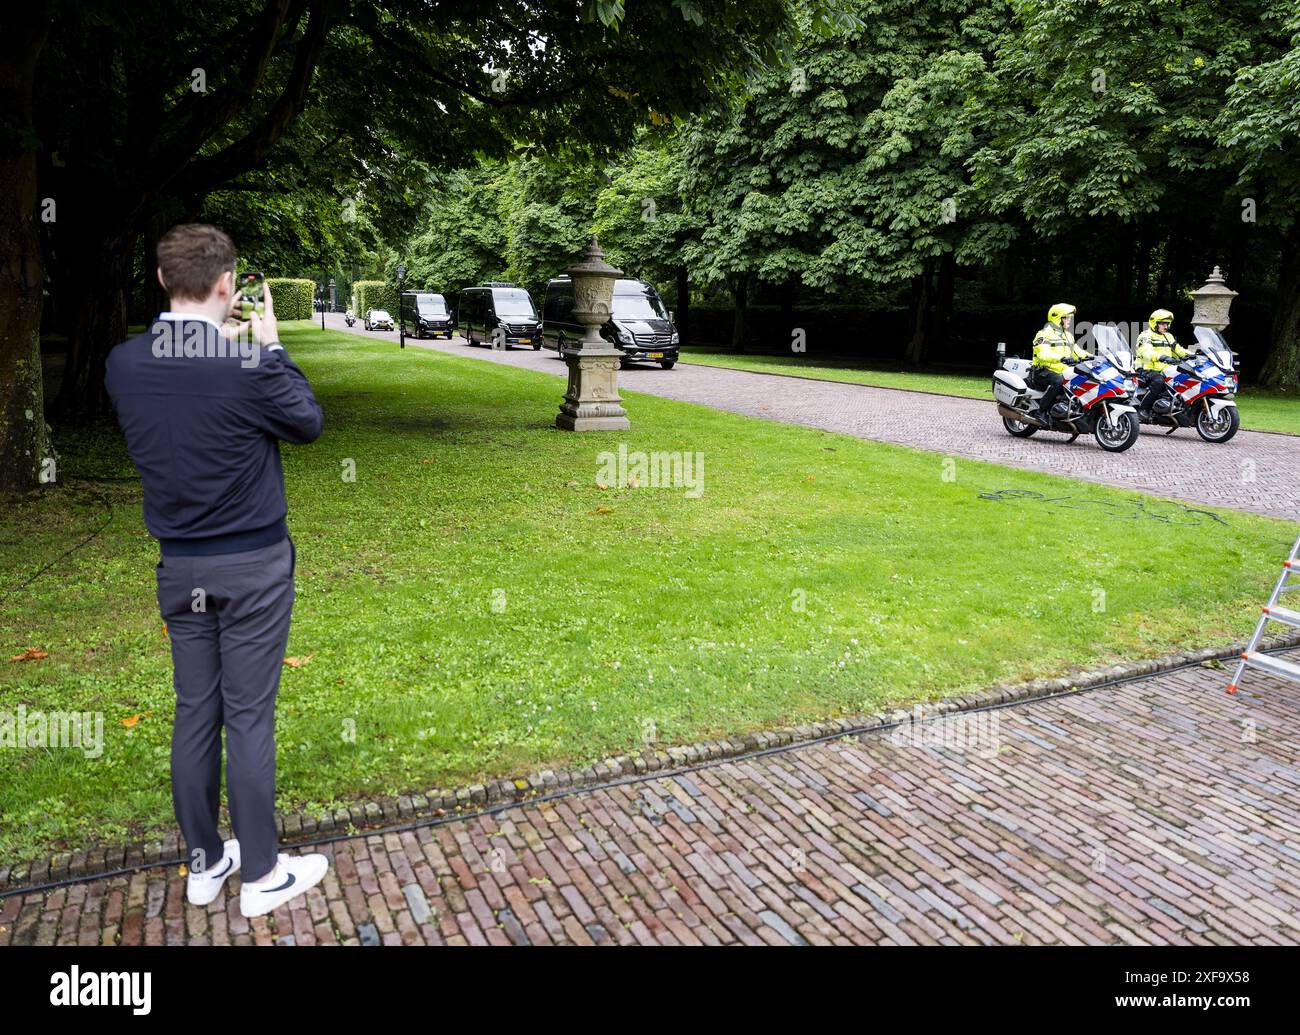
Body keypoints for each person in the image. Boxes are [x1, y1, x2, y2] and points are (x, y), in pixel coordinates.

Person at [104, 223, 329, 919]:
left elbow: (179, 370)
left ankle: (205, 864)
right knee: (249, 716)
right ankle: (261, 873)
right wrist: (270, 346)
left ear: (165, 281)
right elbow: (307, 421)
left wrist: (217, 338)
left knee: (196, 712)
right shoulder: (249, 370)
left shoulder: (123, 363)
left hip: (181, 566)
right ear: (228, 285)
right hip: (254, 564)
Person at [1030, 302, 1089, 420]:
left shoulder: (1068, 335)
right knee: (1058, 380)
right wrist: (1060, 358)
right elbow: (1042, 353)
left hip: (1063, 371)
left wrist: (1093, 357)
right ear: (1057, 318)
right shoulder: (1044, 334)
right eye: (1067, 318)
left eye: (1070, 318)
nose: (1069, 321)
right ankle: (1040, 412)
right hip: (1043, 371)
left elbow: (1077, 351)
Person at [1135, 308, 1189, 415]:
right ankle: (1142, 409)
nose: (1166, 326)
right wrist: (1164, 357)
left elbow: (1178, 350)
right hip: (1145, 369)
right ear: (1154, 323)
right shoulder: (1145, 336)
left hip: (1165, 370)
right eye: (1163, 323)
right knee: (1158, 382)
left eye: (1167, 324)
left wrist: (1193, 355)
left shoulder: (1168, 336)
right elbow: (1147, 352)